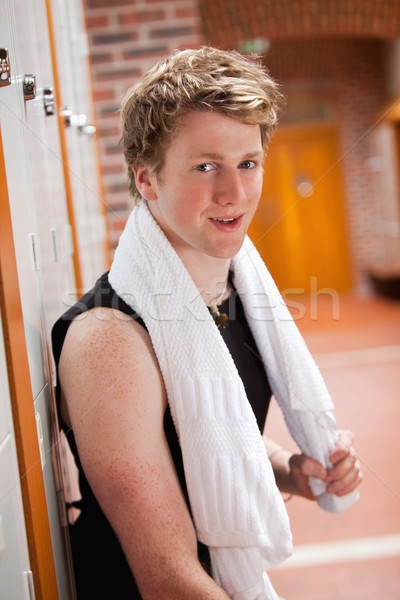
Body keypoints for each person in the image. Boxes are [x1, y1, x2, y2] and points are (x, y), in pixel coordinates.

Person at [52, 46, 362, 599]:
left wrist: (294, 470)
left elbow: (215, 436)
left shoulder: (229, 289)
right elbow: (167, 580)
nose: (235, 193)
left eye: (247, 163)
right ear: (147, 180)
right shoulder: (111, 341)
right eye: (205, 166)